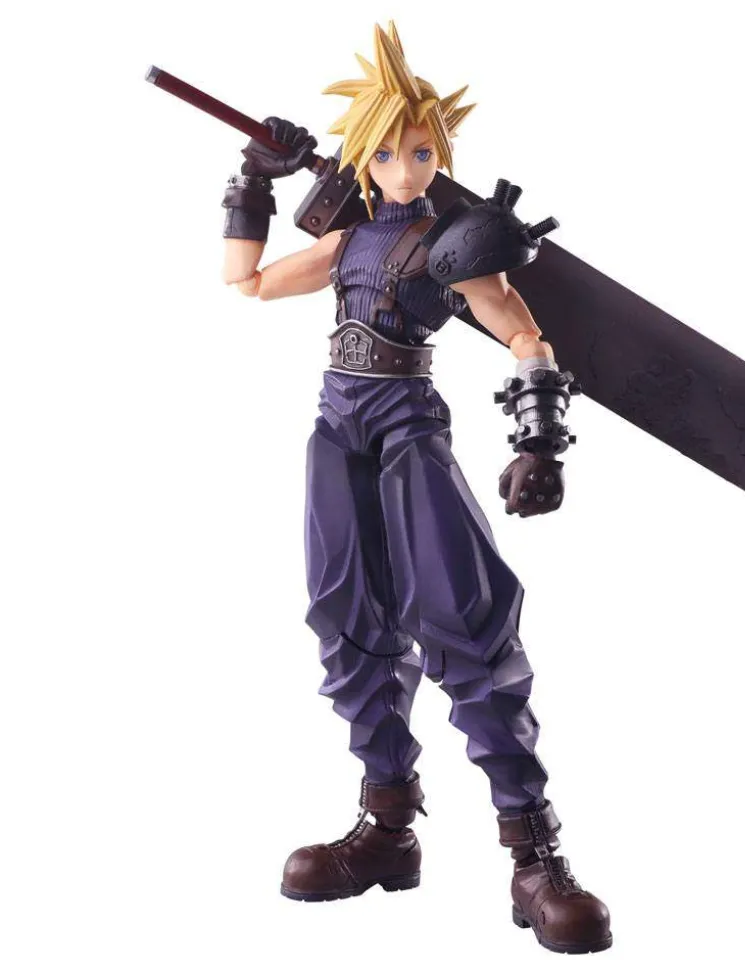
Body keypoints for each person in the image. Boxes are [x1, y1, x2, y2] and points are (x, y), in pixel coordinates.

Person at [219, 22, 611, 955]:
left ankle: (534, 855)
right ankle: (387, 829)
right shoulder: (348, 236)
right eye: (389, 152)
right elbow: (248, 281)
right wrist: (252, 181)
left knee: (466, 622)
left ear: (443, 154)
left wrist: (540, 439)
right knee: (348, 619)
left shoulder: (454, 243)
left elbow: (523, 332)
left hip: (407, 428)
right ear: (363, 153)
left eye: (423, 151)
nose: (406, 169)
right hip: (336, 431)